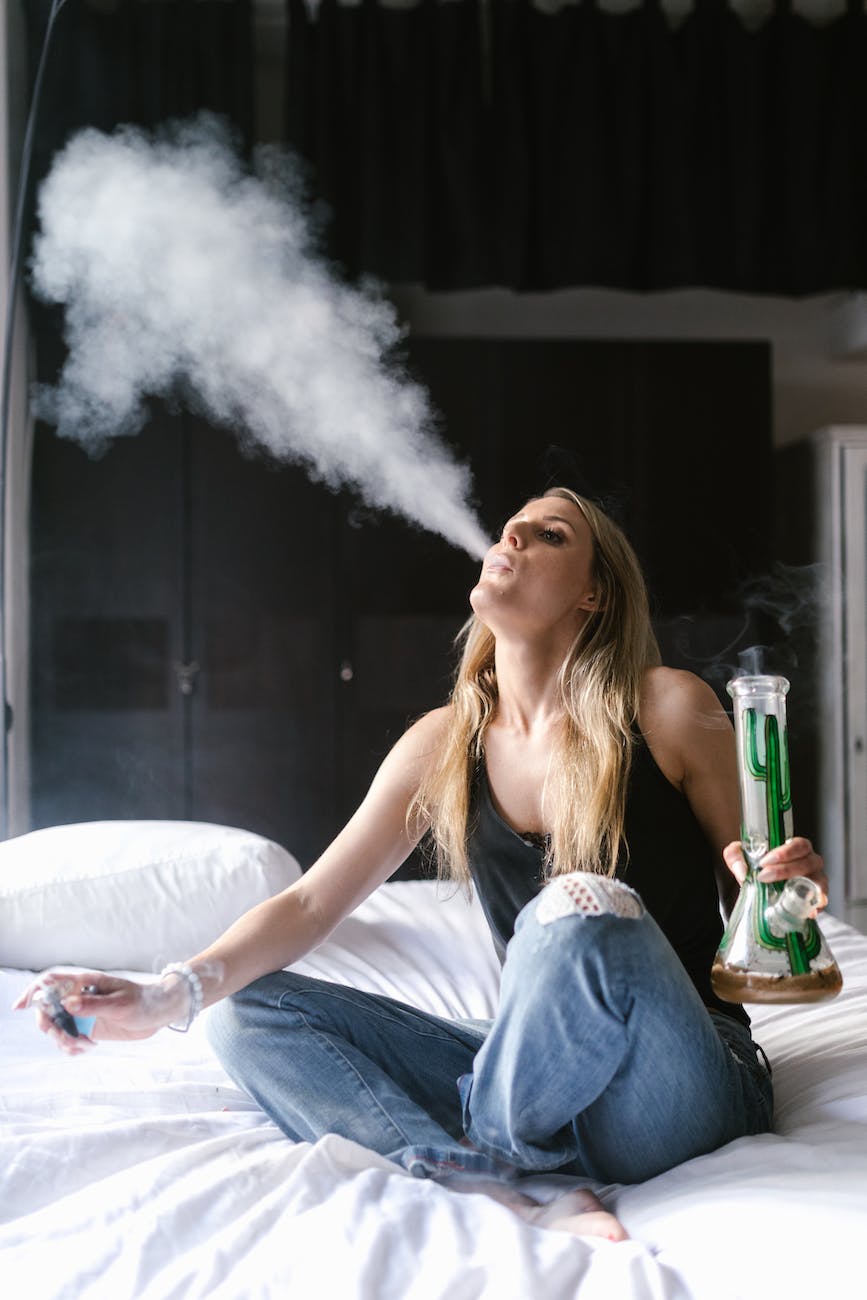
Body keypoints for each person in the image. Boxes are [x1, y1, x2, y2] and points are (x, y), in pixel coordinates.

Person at [16, 487, 827, 1243]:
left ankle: (497, 1134)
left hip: (678, 1081)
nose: (511, 536)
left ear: (594, 595)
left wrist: (783, 892)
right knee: (241, 1009)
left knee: (580, 904)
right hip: (534, 1070)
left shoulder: (668, 706)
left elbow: (758, 900)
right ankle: (471, 1176)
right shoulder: (443, 744)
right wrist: (171, 992)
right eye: (511, 526)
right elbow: (306, 906)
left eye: (550, 536)